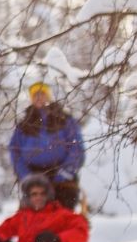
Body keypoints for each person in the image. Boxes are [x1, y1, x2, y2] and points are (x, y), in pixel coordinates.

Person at [9, 82, 85, 210]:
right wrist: (26, 175)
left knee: (62, 215)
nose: (39, 97)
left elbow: (76, 147)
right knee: (32, 217)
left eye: (42, 94)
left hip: (62, 177)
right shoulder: (24, 124)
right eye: (35, 95)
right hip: (33, 176)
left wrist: (66, 172)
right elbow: (14, 151)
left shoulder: (64, 120)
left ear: (48, 96)